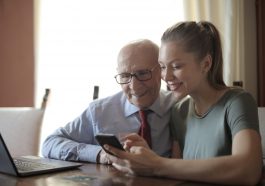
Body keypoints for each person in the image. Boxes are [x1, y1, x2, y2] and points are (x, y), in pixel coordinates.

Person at [105, 21, 263, 185]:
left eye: (176, 66)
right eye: (163, 67)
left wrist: (156, 164)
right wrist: (147, 156)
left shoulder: (237, 101)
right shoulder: (179, 110)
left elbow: (249, 171)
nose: (166, 77)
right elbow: (176, 174)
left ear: (206, 64)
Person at [41, 39, 176, 164]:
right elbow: (50, 143)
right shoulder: (99, 111)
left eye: (142, 73)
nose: (134, 86)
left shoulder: (178, 107)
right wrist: (99, 154)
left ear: (161, 71)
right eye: (125, 76)